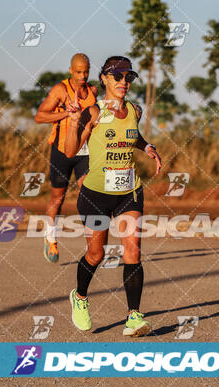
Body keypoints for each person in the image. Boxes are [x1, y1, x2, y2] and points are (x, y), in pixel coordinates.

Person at [64, 56, 162, 337]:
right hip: (95, 195)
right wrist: (72, 123)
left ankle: (134, 316)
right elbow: (71, 151)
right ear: (104, 78)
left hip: (129, 192)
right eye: (117, 76)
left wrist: (148, 147)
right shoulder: (93, 113)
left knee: (133, 250)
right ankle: (80, 297)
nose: (123, 82)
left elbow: (133, 135)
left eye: (128, 77)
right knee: (96, 253)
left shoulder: (135, 110)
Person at [35, 53, 98, 263]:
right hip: (61, 150)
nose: (83, 75)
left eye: (86, 71)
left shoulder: (92, 91)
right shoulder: (60, 90)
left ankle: (94, 247)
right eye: (79, 71)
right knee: (58, 198)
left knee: (88, 192)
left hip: (83, 152)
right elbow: (40, 116)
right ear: (71, 70)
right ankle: (50, 237)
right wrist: (66, 113)